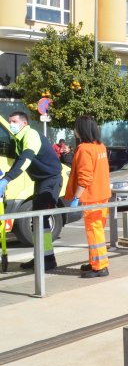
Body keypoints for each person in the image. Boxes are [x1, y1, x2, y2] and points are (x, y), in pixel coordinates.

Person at [0, 111, 64, 271]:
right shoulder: (17, 139)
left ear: (24, 123)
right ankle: (42, 257)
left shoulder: (31, 135)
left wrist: (7, 179)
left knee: (41, 221)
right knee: (37, 222)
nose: (11, 124)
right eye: (9, 121)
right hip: (41, 181)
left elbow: (25, 159)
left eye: (14, 121)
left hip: (51, 180)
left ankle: (48, 260)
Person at [65, 115, 111, 278]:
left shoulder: (84, 149)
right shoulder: (100, 146)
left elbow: (85, 178)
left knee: (94, 231)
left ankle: (100, 266)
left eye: (76, 127)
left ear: (82, 130)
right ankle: (95, 262)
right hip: (102, 195)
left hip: (91, 197)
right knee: (98, 231)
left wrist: (76, 198)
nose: (74, 130)